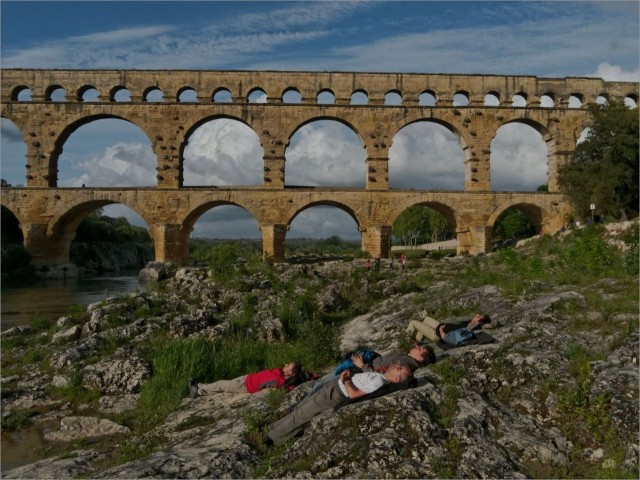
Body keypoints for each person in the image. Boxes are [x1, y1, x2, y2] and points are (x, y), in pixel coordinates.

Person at [264, 364, 413, 445]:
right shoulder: (379, 376)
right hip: (334, 387)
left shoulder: (379, 381)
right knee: (301, 410)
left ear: (397, 378)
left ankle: (271, 438)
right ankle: (273, 428)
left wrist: (345, 379)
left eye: (400, 369)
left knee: (303, 415)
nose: (397, 365)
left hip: (336, 393)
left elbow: (354, 394)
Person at [297, 342, 434, 402]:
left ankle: (297, 407)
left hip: (359, 372)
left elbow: (382, 373)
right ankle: (299, 406)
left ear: (421, 357)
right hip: (361, 369)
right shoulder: (406, 359)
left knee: (321, 384)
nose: (417, 347)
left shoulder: (404, 364)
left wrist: (362, 365)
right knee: (322, 384)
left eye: (420, 349)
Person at [190, 362, 303, 397]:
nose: (286, 364)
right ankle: (200, 392)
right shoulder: (279, 373)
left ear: (290, 372)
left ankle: (199, 386)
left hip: (246, 385)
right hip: (247, 380)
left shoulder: (280, 380)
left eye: (288, 365)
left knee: (221, 384)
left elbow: (283, 386)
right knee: (223, 387)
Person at [407, 313, 496, 348]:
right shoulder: (470, 322)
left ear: (479, 320)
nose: (476, 315)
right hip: (441, 326)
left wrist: (442, 330)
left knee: (413, 322)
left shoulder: (472, 326)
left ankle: (405, 343)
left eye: (478, 316)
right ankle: (417, 341)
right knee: (425, 318)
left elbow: (488, 325)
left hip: (438, 334)